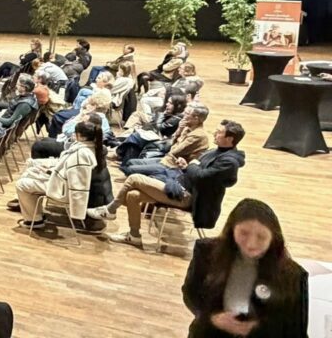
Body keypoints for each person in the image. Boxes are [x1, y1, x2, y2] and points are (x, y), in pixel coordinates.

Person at [90, 120, 247, 249]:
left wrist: (191, 166)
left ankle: (110, 210)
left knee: (134, 178)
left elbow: (200, 175)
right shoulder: (217, 151)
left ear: (230, 139)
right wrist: (190, 165)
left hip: (190, 197)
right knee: (133, 195)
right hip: (180, 185)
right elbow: (197, 170)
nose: (215, 133)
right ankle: (134, 236)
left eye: (219, 132)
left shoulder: (229, 162)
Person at [181, 198, 307, 337]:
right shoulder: (205, 252)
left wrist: (256, 328)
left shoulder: (294, 275)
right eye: (244, 233)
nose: (251, 244)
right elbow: (191, 293)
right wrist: (212, 318)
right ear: (232, 229)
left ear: (273, 238)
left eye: (261, 237)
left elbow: (295, 330)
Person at [14, 119, 101, 230]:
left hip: (62, 190)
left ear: (82, 137)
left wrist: (49, 172)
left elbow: (76, 184)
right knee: (31, 170)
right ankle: (36, 215)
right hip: (62, 183)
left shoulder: (81, 154)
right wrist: (47, 169)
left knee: (22, 184)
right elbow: (65, 166)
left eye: (75, 133)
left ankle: (34, 220)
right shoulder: (89, 148)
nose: (73, 135)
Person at [122, 104, 211, 177]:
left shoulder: (198, 135)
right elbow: (173, 145)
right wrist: (179, 131)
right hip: (167, 159)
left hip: (173, 166)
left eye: (188, 114)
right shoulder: (188, 128)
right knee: (130, 162)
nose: (184, 116)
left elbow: (174, 151)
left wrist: (178, 138)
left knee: (130, 169)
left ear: (196, 119)